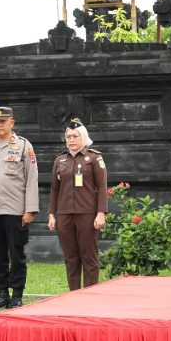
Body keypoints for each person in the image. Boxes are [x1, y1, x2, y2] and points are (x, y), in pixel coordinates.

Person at [0, 106, 39, 309]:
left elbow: (32, 179)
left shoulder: (23, 146)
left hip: (15, 210)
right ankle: (2, 294)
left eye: (3, 121)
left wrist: (30, 209)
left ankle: (17, 295)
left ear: (12, 122)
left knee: (16, 253)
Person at [47, 118, 107, 290]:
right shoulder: (60, 160)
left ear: (83, 137)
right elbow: (54, 190)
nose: (71, 140)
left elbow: (102, 187)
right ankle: (73, 294)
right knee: (70, 257)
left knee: (88, 256)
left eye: (75, 136)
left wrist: (101, 212)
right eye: (68, 137)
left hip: (87, 214)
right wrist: (52, 214)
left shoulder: (94, 158)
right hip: (64, 214)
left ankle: (89, 294)